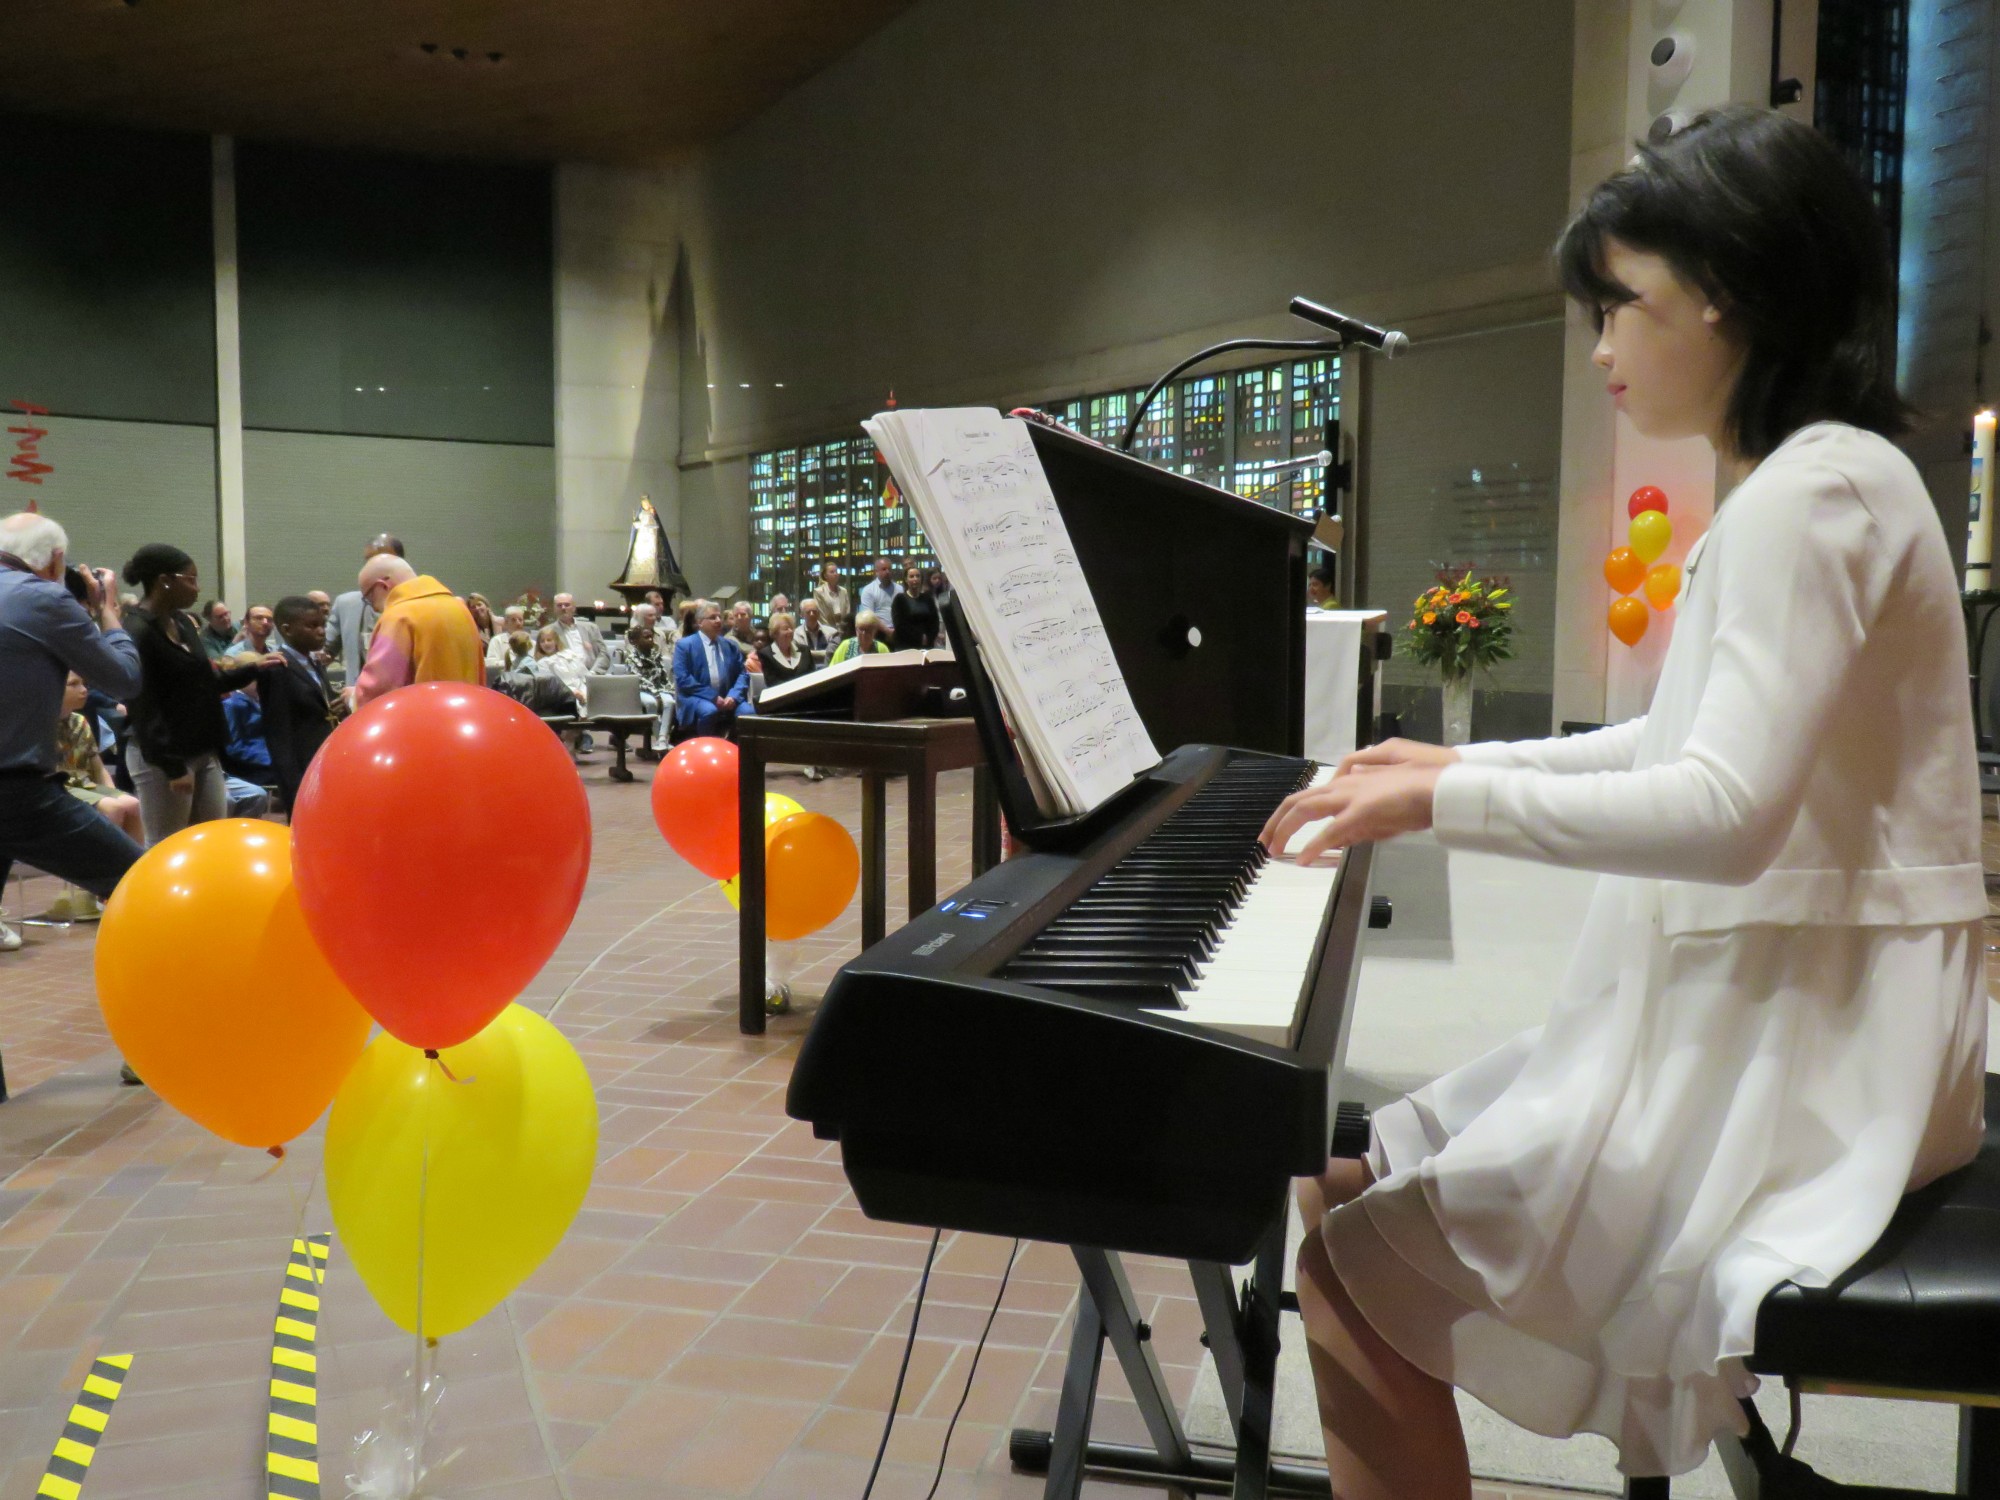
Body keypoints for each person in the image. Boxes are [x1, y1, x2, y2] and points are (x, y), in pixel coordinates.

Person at [1262, 105, 1985, 1496]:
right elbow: (1676, 737)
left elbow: (1721, 810)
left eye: (1625, 307)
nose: (1602, 351)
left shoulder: (1808, 497)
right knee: (1350, 1176)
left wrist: (1440, 811)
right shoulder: (1832, 476)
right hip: (1823, 1014)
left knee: (1348, 1269)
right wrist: (1456, 766)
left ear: (1733, 302)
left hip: (1817, 1061)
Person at [122, 544, 280, 846]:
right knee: (168, 847)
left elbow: (206, 680)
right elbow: (144, 704)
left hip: (203, 750)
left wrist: (256, 668)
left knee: (210, 841)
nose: (198, 588)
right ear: (165, 580)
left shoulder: (183, 623)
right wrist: (172, 765)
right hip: (162, 758)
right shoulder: (137, 630)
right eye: (191, 579)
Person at [349, 555, 486, 709]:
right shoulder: (459, 608)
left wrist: (353, 698)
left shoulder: (398, 617)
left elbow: (380, 687)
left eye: (369, 598)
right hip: (467, 714)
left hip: (424, 721)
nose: (373, 608)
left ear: (383, 586)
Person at [257, 595, 341, 815]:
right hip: (302, 767)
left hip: (327, 760)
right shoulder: (277, 667)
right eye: (312, 626)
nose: (321, 631)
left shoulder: (314, 662)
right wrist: (293, 785)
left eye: (323, 624)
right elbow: (278, 731)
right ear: (287, 629)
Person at [56, 673, 143, 846]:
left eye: (84, 684)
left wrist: (113, 793)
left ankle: (135, 865)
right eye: (73, 684)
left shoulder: (80, 721)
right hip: (62, 789)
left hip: (86, 786)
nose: (83, 690)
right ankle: (103, 866)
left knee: (132, 804)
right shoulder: (40, 725)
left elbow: (99, 768)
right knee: (113, 808)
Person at [325, 533, 403, 686]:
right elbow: (324, 651)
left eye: (382, 559)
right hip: (358, 697)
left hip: (401, 697)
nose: (374, 566)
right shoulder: (346, 604)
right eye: (369, 561)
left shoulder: (417, 605)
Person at [672, 600, 754, 738]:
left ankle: (736, 750)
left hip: (728, 697)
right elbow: (683, 679)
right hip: (696, 697)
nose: (718, 621)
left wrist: (733, 696)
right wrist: (713, 697)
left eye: (719, 617)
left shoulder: (730, 645)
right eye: (712, 617)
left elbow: (742, 674)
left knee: (748, 712)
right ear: (699, 622)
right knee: (709, 711)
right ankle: (706, 750)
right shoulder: (684, 646)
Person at [622, 620, 675, 751]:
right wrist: (656, 694)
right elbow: (638, 679)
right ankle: (658, 739)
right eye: (646, 637)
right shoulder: (631, 657)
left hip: (657, 688)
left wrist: (670, 690)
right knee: (652, 703)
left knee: (669, 702)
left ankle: (663, 738)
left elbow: (663, 677)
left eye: (651, 637)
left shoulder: (655, 655)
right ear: (636, 641)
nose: (651, 640)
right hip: (640, 690)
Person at [220, 686, 273, 786]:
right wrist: (269, 759)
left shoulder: (262, 702)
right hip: (252, 767)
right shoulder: (231, 705)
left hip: (269, 759)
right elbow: (234, 747)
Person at [550, 593, 609, 671]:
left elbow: (603, 654)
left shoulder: (591, 628)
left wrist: (593, 673)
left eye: (567, 605)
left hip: (592, 674)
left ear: (574, 608)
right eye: (559, 605)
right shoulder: (548, 631)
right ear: (554, 609)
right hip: (564, 677)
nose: (563, 608)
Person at [758, 612, 815, 690]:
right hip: (782, 699)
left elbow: (812, 676)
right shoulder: (765, 654)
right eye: (786, 629)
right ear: (775, 633)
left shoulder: (804, 650)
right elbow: (772, 683)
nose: (790, 631)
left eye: (791, 628)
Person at [890, 564, 939, 651]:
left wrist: (929, 637)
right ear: (906, 580)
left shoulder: (928, 598)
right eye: (911, 576)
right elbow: (899, 625)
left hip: (927, 646)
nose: (915, 579)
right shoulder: (899, 599)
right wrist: (919, 637)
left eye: (917, 576)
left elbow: (934, 621)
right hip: (906, 646)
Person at [858, 557, 901, 630]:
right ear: (876, 571)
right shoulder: (868, 590)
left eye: (889, 569)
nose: (887, 572)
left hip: (898, 631)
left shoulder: (900, 589)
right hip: (878, 632)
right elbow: (869, 616)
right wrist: (887, 631)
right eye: (884, 569)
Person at [812, 561, 851, 636]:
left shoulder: (843, 591)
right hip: (826, 631)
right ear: (825, 575)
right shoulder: (819, 592)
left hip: (843, 631)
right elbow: (821, 615)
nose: (835, 574)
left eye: (836, 571)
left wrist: (844, 629)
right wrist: (831, 631)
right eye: (832, 572)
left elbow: (847, 611)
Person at [486, 605, 528, 671]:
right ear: (506, 622)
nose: (518, 623)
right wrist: (513, 662)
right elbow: (491, 663)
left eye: (520, 620)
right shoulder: (497, 640)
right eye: (513, 620)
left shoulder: (530, 641)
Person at [798, 598, 839, 665]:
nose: (812, 614)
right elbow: (799, 657)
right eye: (808, 612)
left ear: (819, 613)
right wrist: (824, 653)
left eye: (814, 611)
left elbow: (834, 654)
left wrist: (808, 653)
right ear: (801, 614)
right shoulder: (795, 635)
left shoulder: (832, 633)